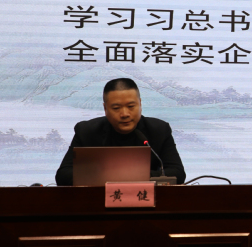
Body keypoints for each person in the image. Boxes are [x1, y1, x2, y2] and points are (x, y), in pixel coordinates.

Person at [55, 78, 186, 185]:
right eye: (116, 108)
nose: (124, 114)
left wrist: (127, 177)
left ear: (140, 104)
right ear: (105, 108)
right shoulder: (87, 131)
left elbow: (177, 173)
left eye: (131, 106)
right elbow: (63, 175)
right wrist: (118, 176)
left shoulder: (159, 130)